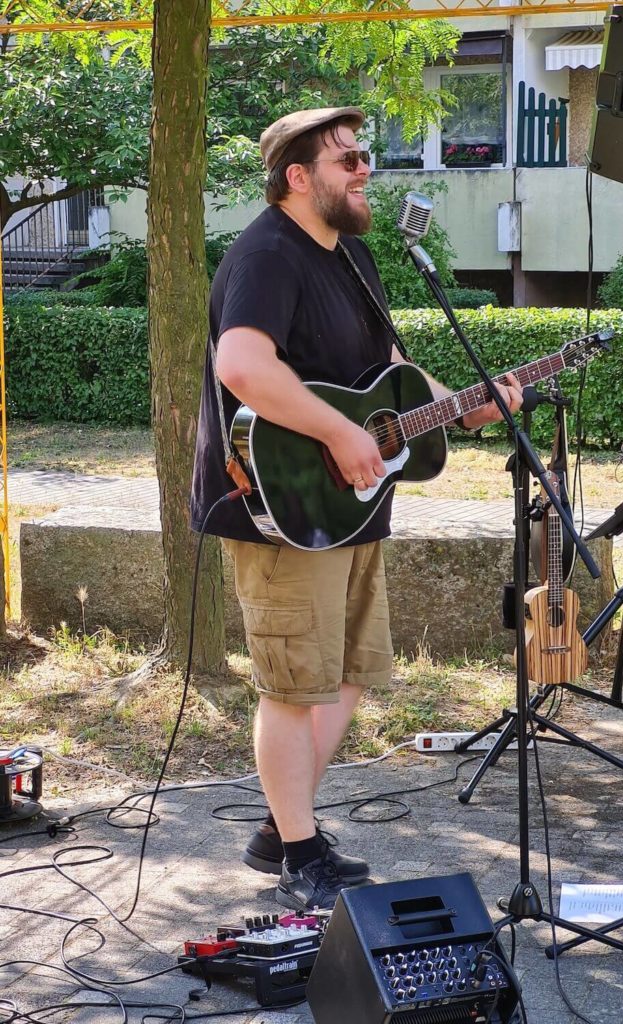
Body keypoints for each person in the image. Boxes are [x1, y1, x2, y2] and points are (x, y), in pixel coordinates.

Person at [190, 106, 523, 912]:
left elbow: (394, 371)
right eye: (347, 160)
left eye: (364, 156)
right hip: (284, 500)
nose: (365, 170)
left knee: (344, 676)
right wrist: (339, 432)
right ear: (297, 179)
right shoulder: (269, 253)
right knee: (293, 685)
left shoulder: (356, 257)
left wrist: (467, 405)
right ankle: (298, 850)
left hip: (353, 503)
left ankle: (282, 823)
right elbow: (241, 364)